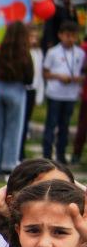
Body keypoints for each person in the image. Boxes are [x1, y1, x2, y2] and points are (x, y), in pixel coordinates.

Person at [0, 20, 34, 180]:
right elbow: (29, 78)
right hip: (17, 91)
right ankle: (8, 166)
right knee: (14, 130)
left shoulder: (0, 52)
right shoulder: (25, 54)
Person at [41, 20, 84, 163]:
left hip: (71, 95)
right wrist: (58, 76)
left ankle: (61, 155)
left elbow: (82, 74)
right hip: (55, 93)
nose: (70, 39)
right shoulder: (53, 52)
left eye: (73, 36)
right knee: (51, 125)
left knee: (64, 126)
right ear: (60, 35)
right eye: (67, 35)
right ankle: (47, 155)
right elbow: (45, 73)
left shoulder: (80, 53)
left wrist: (76, 79)